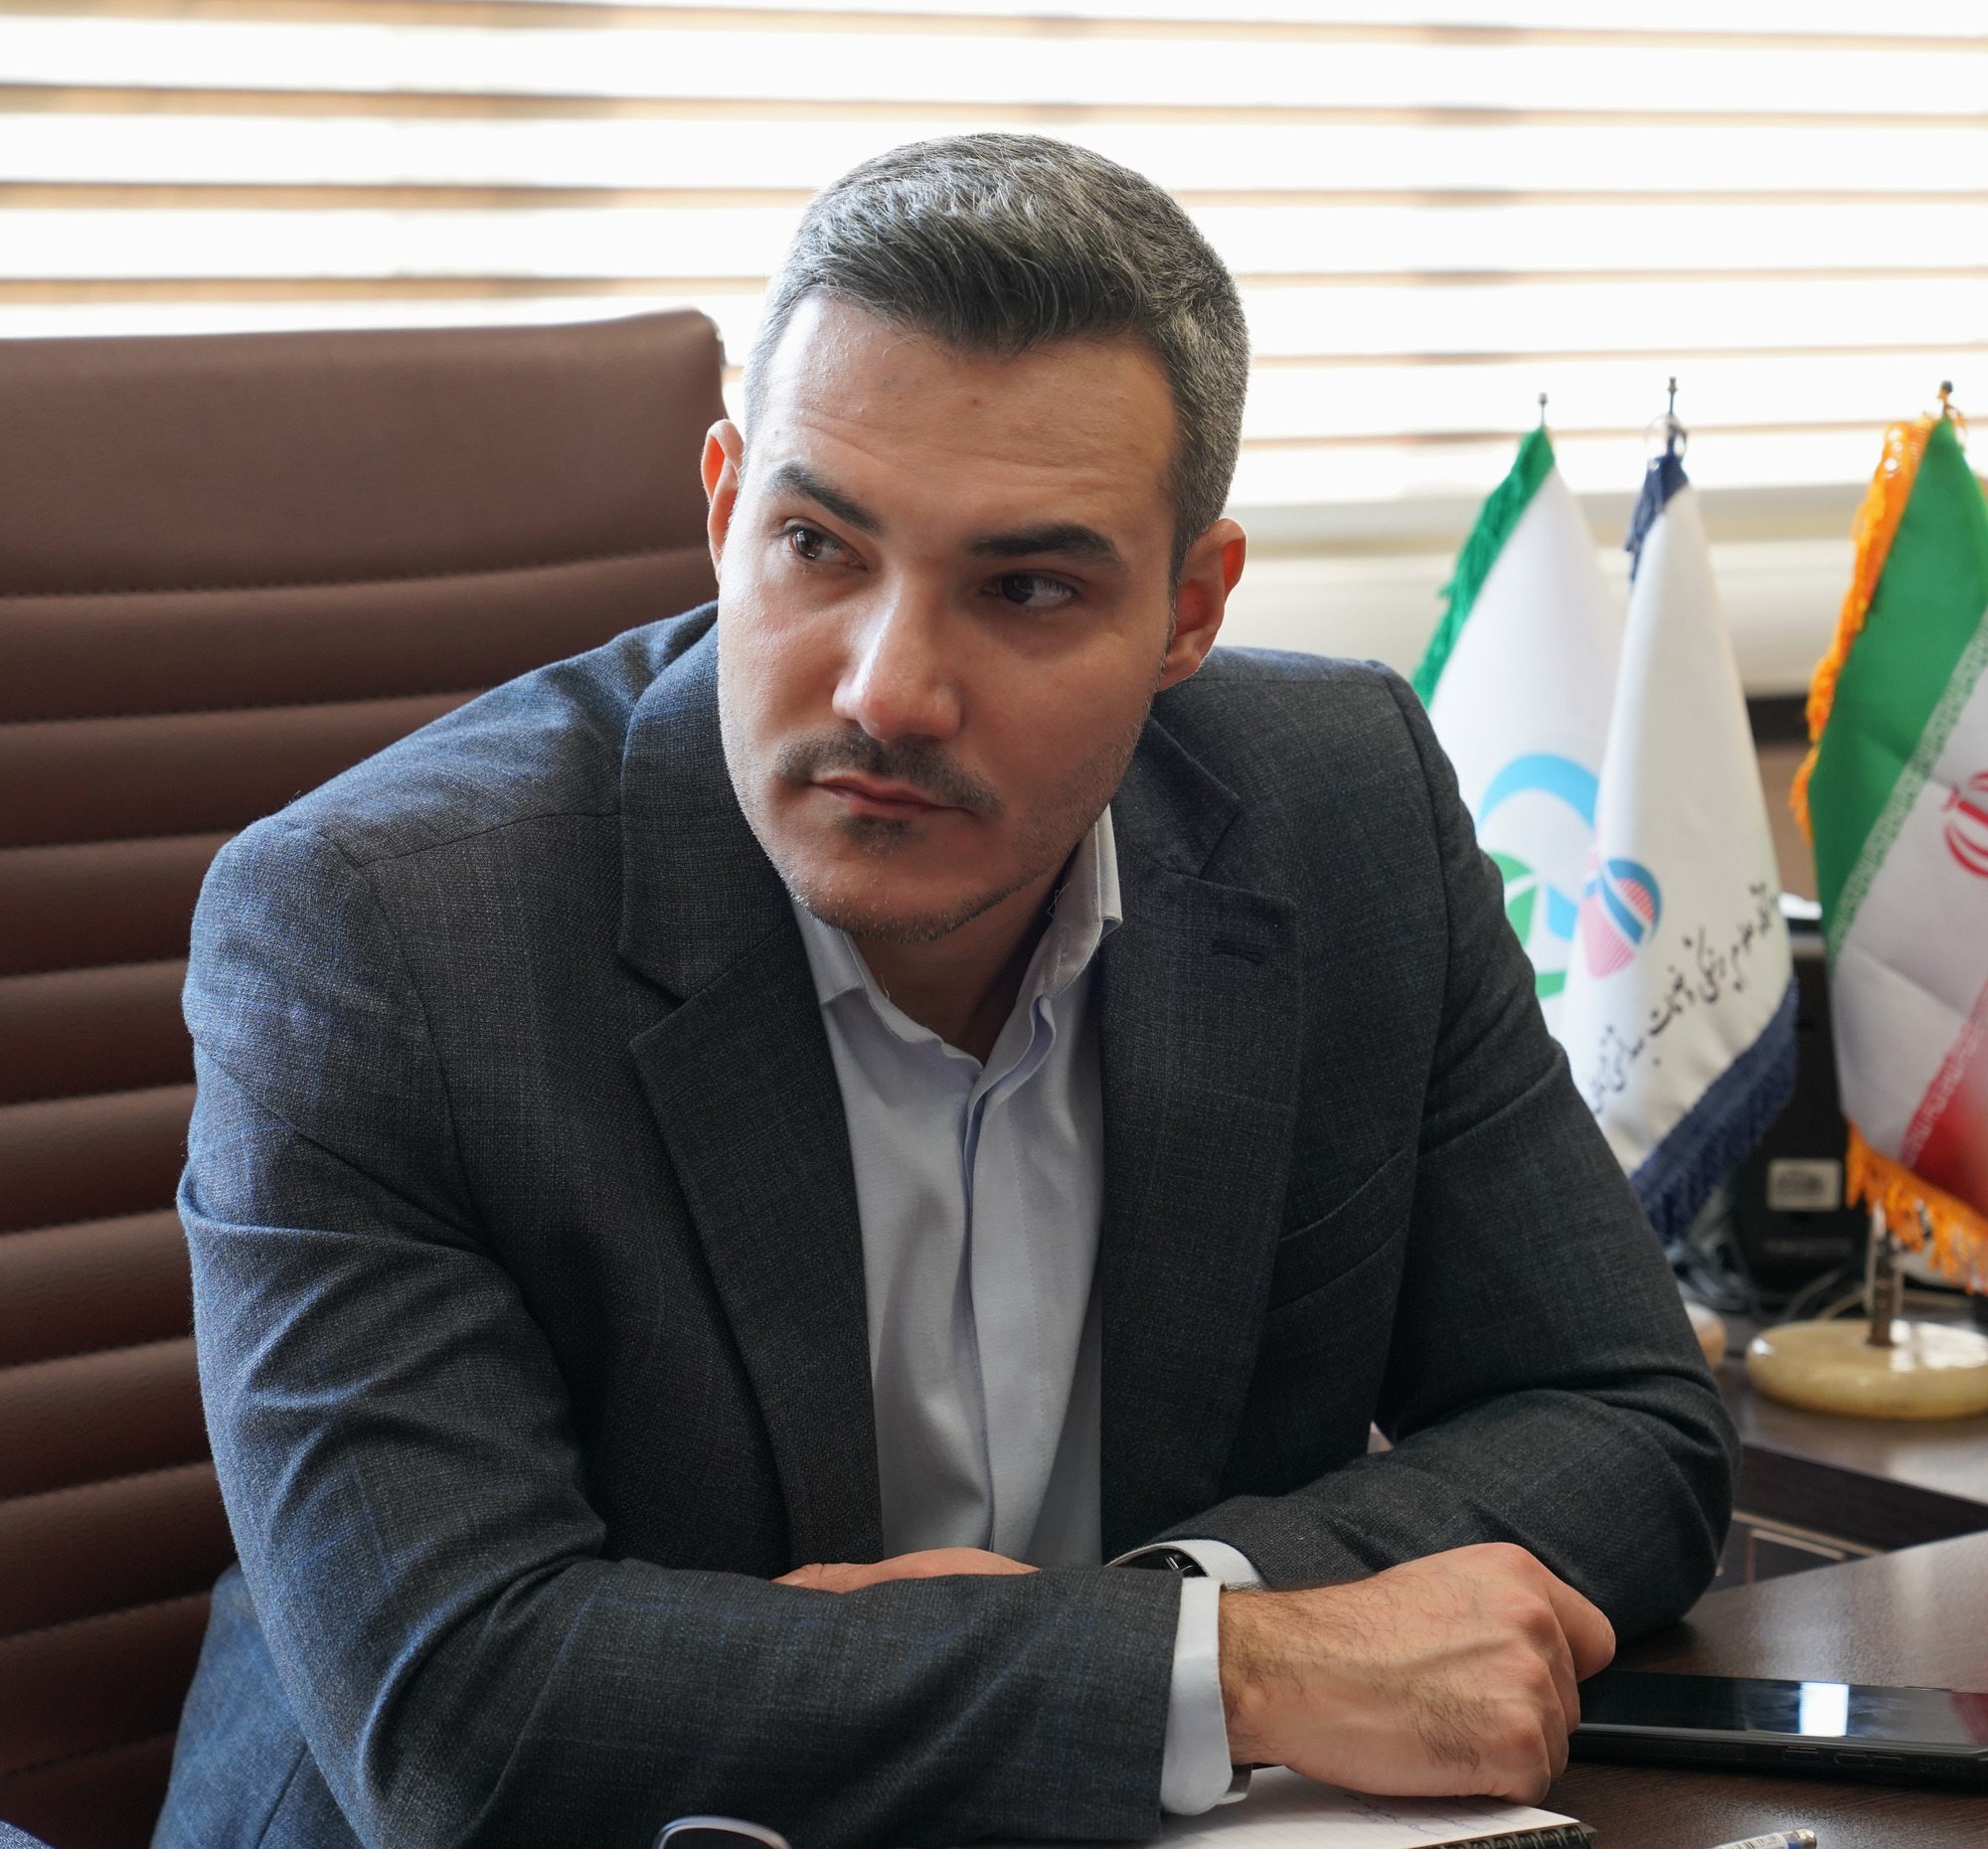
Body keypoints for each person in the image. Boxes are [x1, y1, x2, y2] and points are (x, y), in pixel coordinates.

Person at [160, 134, 1736, 1849]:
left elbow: (1622, 1422)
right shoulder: (377, 934)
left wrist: (1154, 1626)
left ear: (1190, 609)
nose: (890, 690)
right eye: (818, 545)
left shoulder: (1338, 808)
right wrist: (1224, 1669)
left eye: (1027, 589)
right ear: (723, 509)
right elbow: (461, 1714)